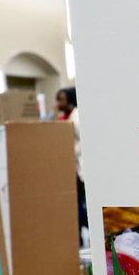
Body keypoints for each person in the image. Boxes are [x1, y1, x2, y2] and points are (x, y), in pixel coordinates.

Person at [55, 86, 88, 232]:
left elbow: (84, 140)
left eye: (60, 99)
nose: (57, 103)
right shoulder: (66, 117)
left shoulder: (76, 116)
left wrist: (69, 152)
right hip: (72, 165)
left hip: (80, 166)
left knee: (81, 203)